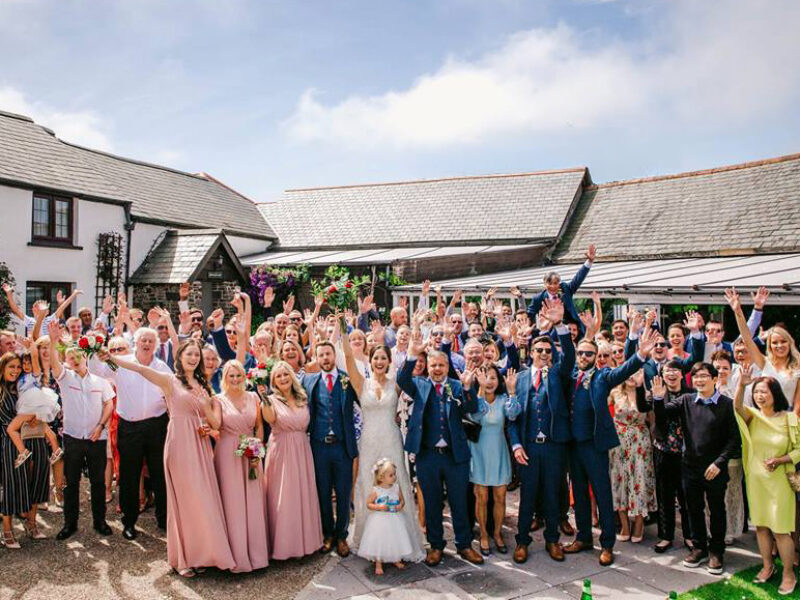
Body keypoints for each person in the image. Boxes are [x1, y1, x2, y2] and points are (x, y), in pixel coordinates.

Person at [105, 337, 235, 577]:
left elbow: (213, 420)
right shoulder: (169, 380)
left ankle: (205, 553)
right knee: (183, 499)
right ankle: (183, 558)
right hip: (179, 443)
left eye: (197, 355)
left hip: (200, 444)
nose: (194, 358)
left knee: (202, 497)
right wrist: (112, 358)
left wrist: (210, 424)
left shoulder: (203, 384)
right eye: (190, 354)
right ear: (180, 357)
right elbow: (140, 368)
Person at [562, 327, 657, 567]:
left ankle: (606, 544)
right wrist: (561, 328)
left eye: (589, 354)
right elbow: (563, 351)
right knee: (580, 494)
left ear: (596, 357)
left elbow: (623, 371)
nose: (584, 357)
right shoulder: (570, 374)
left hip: (594, 445)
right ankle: (583, 537)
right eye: (581, 353)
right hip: (573, 445)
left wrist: (641, 356)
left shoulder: (602, 377)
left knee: (603, 494)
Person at [342, 318, 425, 562]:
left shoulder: (396, 384)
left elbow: (409, 361)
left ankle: (401, 542)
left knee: (395, 483)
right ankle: (369, 540)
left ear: (389, 362)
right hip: (368, 441)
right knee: (369, 485)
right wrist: (342, 330)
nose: (379, 362)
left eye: (383, 359)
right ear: (370, 360)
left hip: (391, 439)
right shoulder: (360, 383)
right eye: (375, 358)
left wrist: (416, 331)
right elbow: (347, 359)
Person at [397, 337, 484, 566]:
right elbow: (401, 378)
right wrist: (412, 355)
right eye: (433, 365)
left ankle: (464, 545)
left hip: (456, 457)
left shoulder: (457, 385)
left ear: (447, 367)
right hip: (428, 456)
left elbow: (472, 408)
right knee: (433, 503)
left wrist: (467, 387)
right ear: (428, 367)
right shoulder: (420, 384)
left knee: (459, 503)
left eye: (441, 365)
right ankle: (435, 545)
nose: (437, 369)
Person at [652, 364, 741, 575]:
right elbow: (663, 416)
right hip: (690, 467)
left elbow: (734, 440)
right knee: (694, 509)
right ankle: (700, 547)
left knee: (717, 510)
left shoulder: (726, 404)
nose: (699, 380)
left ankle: (716, 552)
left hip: (714, 468)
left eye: (704, 376)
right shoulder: (686, 401)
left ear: (713, 378)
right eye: (696, 377)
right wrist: (657, 399)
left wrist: (719, 463)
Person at [89, 326, 172, 540]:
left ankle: (164, 519)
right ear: (136, 342)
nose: (146, 344)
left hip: (157, 426)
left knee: (160, 474)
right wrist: (94, 351)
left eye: (150, 341)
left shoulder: (162, 366)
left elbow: (171, 391)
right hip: (130, 427)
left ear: (155, 344)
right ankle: (129, 522)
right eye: (143, 340)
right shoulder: (121, 362)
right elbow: (97, 370)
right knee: (129, 476)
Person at [509, 302, 575, 564]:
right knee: (527, 497)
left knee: (551, 495)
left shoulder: (557, 374)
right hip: (528, 447)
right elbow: (512, 418)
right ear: (531, 352)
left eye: (548, 350)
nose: (544, 354)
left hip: (554, 446)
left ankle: (552, 540)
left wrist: (559, 326)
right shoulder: (521, 377)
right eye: (539, 350)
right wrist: (515, 445)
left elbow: (568, 357)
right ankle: (522, 541)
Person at [46, 321, 115, 539]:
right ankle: (70, 524)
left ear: (85, 357)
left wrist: (100, 426)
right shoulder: (65, 378)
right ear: (67, 360)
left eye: (78, 357)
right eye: (70, 358)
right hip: (73, 438)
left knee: (97, 482)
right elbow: (54, 362)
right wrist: (53, 339)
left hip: (97, 438)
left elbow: (109, 404)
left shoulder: (100, 381)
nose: (75, 360)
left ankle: (100, 521)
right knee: (72, 482)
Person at [734, 370, 799, 596]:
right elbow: (737, 408)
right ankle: (767, 566)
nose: (760, 395)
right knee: (761, 526)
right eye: (757, 391)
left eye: (765, 391)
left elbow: (799, 450)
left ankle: (788, 573)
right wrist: (742, 386)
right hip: (756, 480)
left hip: (780, 481)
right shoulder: (752, 415)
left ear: (775, 393)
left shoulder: (789, 418)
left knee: (781, 530)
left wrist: (781, 460)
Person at [302, 341, 359, 557]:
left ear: (334, 356)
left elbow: (364, 400)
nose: (325, 358)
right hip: (319, 446)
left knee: (344, 492)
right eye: (321, 355)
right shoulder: (309, 381)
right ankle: (328, 533)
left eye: (328, 354)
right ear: (316, 358)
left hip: (342, 447)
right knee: (323, 492)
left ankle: (342, 535)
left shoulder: (347, 379)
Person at [261, 361, 324, 559]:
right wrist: (264, 399)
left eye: (285, 374)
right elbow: (270, 420)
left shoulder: (303, 398)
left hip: (302, 450)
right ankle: (284, 546)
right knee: (284, 496)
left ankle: (306, 542)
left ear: (292, 376)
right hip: (281, 451)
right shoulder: (270, 400)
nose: (283, 378)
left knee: (302, 494)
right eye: (278, 376)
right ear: (274, 381)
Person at [214, 360, 269, 572]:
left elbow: (259, 426)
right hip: (228, 453)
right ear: (225, 378)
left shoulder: (253, 396)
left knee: (253, 500)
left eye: (238, 375)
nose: (235, 379)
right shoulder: (218, 399)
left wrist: (257, 450)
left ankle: (257, 555)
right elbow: (216, 425)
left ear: (244, 377)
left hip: (251, 451)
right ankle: (236, 556)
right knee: (233, 501)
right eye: (231, 376)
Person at [635, 359, 692, 553]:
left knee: (686, 497)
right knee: (665, 495)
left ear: (682, 374)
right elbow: (643, 407)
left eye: (675, 370)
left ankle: (690, 535)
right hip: (663, 450)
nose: (672, 374)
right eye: (668, 371)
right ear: (662, 374)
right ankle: (666, 536)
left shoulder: (690, 394)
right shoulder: (658, 391)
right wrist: (638, 387)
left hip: (685, 453)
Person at [468, 365, 520, 556]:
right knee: (481, 497)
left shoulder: (503, 400)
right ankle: (482, 534)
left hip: (498, 453)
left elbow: (513, 414)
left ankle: (497, 534)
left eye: (492, 378)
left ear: (499, 381)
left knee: (500, 497)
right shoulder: (475, 400)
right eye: (484, 377)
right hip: (479, 453)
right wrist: (480, 391)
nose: (489, 381)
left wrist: (512, 391)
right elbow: (475, 415)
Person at [726, 288, 800, 407]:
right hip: (763, 417)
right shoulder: (765, 362)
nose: (779, 345)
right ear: (769, 346)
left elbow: (798, 404)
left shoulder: (798, 366)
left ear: (790, 343)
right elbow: (747, 339)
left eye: (783, 342)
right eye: (775, 343)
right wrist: (738, 311)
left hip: (788, 418)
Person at [609, 371, 656, 543]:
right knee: (620, 481)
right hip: (618, 442)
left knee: (639, 480)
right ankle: (624, 525)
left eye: (636, 373)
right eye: (629, 372)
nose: (631, 376)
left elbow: (652, 420)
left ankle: (639, 523)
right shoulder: (614, 392)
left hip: (640, 442)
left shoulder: (647, 395)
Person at [357, 458, 420, 575]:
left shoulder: (396, 487)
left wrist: (400, 506)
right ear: (381, 477)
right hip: (380, 521)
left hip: (396, 519)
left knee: (395, 538)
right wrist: (379, 507)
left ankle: (395, 558)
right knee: (381, 540)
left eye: (394, 474)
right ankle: (379, 562)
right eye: (391, 475)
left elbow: (402, 501)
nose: (394, 477)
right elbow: (368, 504)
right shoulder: (377, 490)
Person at [1, 353, 35, 547]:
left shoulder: (17, 388)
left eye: (18, 367)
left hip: (19, 439)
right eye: (11, 367)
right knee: (8, 484)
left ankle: (19, 526)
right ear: (3, 368)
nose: (15, 370)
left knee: (18, 482)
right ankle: (7, 531)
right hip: (6, 442)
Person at [527, 244, 595, 334]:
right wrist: (532, 332)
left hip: (573, 329)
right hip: (552, 332)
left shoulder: (565, 289)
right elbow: (528, 316)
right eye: (549, 283)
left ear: (559, 283)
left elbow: (578, 279)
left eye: (555, 283)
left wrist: (589, 261)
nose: (553, 286)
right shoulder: (538, 298)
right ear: (544, 284)